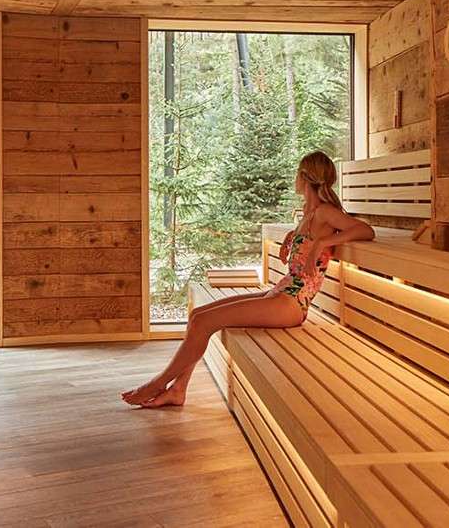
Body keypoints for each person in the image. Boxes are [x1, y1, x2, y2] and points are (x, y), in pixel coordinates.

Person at [122, 151, 374, 407]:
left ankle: (157, 384)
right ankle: (178, 389)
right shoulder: (308, 215)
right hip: (281, 293)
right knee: (198, 316)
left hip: (292, 304)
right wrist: (293, 238)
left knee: (204, 322)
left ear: (304, 176)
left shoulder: (324, 212)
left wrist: (322, 242)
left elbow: (365, 229)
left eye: (296, 173)